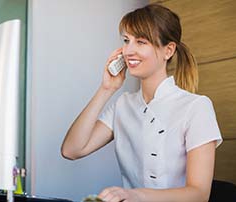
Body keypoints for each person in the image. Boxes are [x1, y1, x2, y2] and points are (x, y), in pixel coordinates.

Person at [61, 3, 223, 202]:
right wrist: (106, 89)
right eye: (126, 41)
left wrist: (135, 195)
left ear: (168, 50)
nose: (129, 51)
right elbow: (71, 150)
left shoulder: (196, 107)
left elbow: (199, 194)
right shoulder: (122, 105)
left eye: (141, 41)